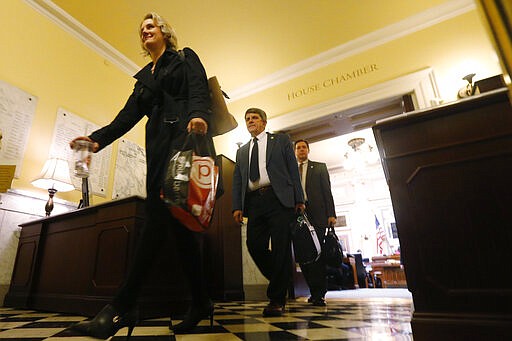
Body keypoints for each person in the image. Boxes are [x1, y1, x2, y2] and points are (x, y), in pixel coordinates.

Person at [69, 12, 213, 339]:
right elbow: (126, 118)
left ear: (164, 32)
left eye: (151, 26)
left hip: (185, 145)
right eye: (142, 29)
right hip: (158, 151)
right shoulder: (143, 79)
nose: (145, 31)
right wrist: (96, 140)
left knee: (157, 221)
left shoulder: (184, 57)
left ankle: (120, 307)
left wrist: (198, 117)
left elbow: (198, 90)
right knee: (180, 234)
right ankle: (201, 302)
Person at [232, 108, 305, 317]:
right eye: (247, 119)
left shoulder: (280, 140)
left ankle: (276, 299)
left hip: (278, 199)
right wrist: (237, 205)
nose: (250, 121)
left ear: (264, 122)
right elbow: (238, 179)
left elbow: (293, 169)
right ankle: (281, 279)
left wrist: (299, 198)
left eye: (254, 118)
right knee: (254, 244)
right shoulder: (242, 151)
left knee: (281, 247)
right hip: (254, 201)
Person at [294, 139, 336, 306]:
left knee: (318, 255)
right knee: (304, 256)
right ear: (295, 151)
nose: (301, 150)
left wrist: (331, 214)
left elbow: (327, 191)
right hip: (298, 215)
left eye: (304, 147)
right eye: (298, 148)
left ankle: (319, 294)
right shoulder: (291, 170)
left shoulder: (319, 167)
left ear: (308, 150)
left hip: (318, 215)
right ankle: (312, 290)